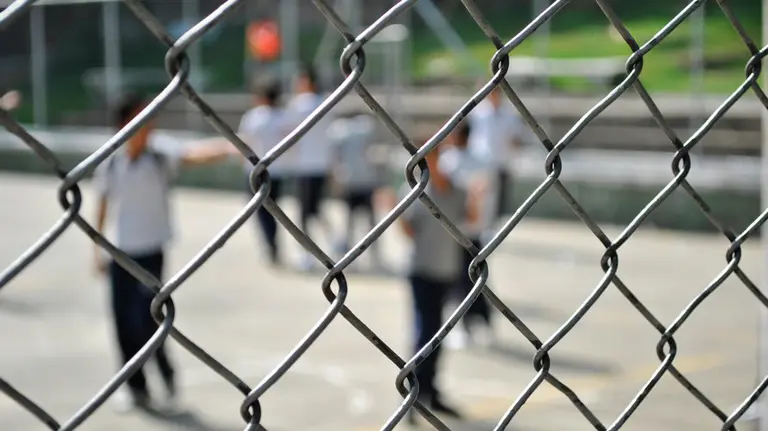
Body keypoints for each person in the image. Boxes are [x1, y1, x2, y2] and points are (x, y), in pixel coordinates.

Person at [93, 93, 234, 412]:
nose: (150, 124)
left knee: (148, 320)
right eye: (142, 118)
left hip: (151, 252)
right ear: (125, 123)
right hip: (120, 254)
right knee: (122, 324)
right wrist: (97, 251)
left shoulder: (158, 157)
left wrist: (227, 148)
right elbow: (101, 207)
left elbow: (193, 155)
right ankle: (136, 388)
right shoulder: (111, 161)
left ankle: (168, 379)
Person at [400, 143, 479, 424]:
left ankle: (430, 390)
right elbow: (409, 231)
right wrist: (396, 214)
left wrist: (477, 197)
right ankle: (414, 393)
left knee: (438, 333)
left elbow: (470, 221)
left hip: (447, 270)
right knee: (426, 331)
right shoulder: (417, 192)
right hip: (421, 271)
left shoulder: (456, 190)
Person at [439, 121, 497, 350]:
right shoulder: (447, 160)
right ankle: (471, 322)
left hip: (470, 230)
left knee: (469, 280)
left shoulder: (476, 161)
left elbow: (483, 196)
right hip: (453, 231)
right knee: (461, 280)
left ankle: (475, 321)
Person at [238, 78, 295, 267]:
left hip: (254, 171)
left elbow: (244, 143)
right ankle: (273, 243)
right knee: (273, 209)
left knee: (261, 212)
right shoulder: (283, 116)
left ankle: (270, 244)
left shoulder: (253, 117)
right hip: (276, 171)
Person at [285, 65, 334, 271]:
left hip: (305, 165)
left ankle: (308, 254)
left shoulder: (300, 104)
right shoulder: (325, 102)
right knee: (315, 208)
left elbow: (287, 130)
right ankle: (334, 240)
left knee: (305, 211)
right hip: (321, 164)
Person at [327, 114, 382, 270]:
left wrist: (336, 180)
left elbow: (336, 159)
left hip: (352, 181)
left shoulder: (341, 131)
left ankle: (351, 256)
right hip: (364, 181)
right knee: (369, 222)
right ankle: (372, 256)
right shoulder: (365, 129)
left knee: (352, 222)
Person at [466, 85, 524, 224]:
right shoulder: (478, 112)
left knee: (498, 199)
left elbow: (516, 137)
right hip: (481, 161)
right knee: (481, 195)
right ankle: (480, 224)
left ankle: (493, 226)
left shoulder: (509, 113)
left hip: (501, 161)